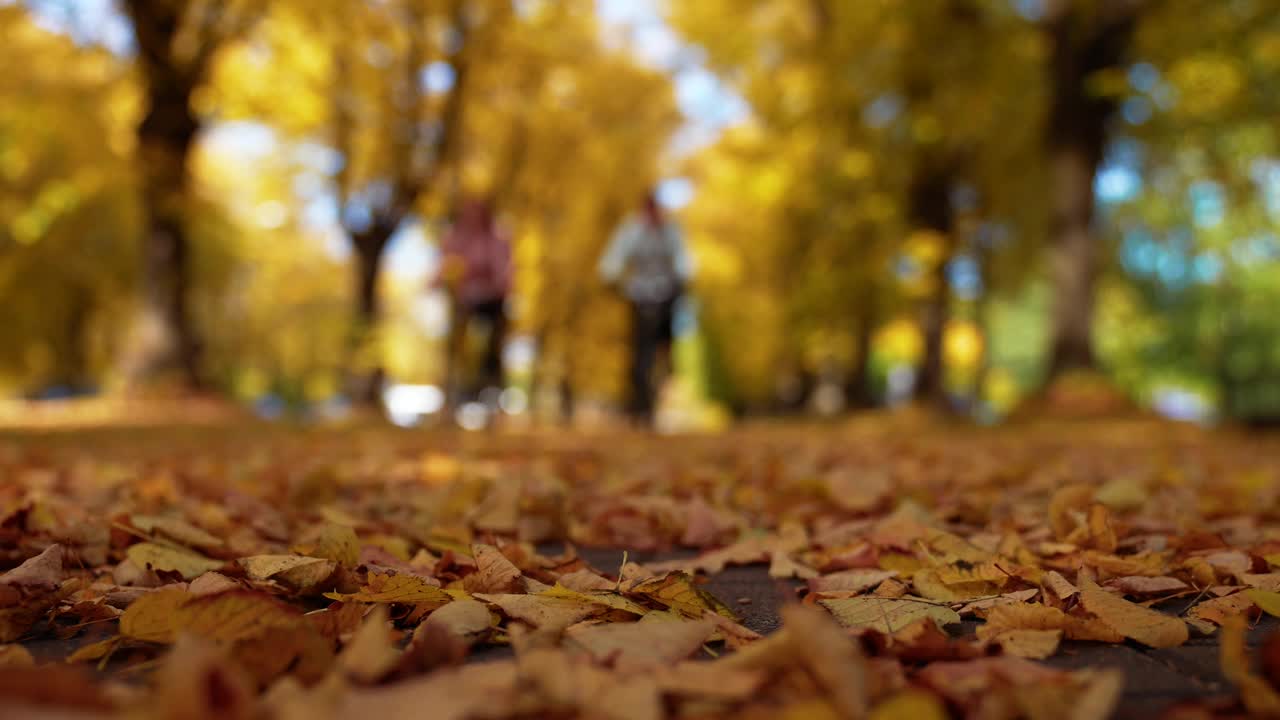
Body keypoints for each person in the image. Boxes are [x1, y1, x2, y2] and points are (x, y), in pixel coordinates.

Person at [598, 190, 693, 425]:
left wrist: (683, 278)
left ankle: (664, 383)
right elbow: (614, 256)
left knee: (663, 347)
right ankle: (640, 403)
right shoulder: (631, 230)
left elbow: (683, 258)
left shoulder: (671, 231)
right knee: (639, 351)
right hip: (639, 294)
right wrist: (610, 276)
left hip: (666, 293)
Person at [437, 197, 512, 410]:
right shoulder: (457, 238)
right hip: (466, 299)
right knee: (459, 343)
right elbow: (445, 263)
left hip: (493, 300)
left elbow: (505, 269)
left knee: (491, 348)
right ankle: (459, 390)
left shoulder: (498, 237)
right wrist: (436, 283)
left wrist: (502, 285)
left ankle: (491, 391)